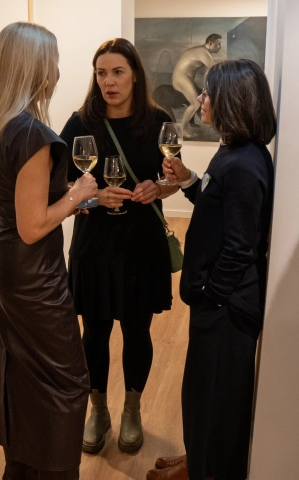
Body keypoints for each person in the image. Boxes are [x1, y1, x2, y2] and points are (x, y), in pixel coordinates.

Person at [0, 22, 98, 480]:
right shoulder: (31, 134)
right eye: (54, 62)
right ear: (38, 68)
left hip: (0, 268)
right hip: (33, 277)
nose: (58, 72)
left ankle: (21, 467)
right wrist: (76, 195)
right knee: (68, 381)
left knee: (18, 372)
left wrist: (52, 197)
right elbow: (32, 227)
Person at [147, 58, 276, 480]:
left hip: (227, 308)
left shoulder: (243, 164)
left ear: (231, 100)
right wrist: (188, 179)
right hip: (223, 305)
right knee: (205, 394)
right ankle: (196, 460)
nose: (201, 98)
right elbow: (217, 211)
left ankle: (205, 470)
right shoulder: (236, 153)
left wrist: (210, 295)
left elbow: (240, 246)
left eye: (208, 92)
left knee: (216, 402)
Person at [60, 38, 178, 454]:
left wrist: (157, 189)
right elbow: (61, 187)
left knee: (136, 330)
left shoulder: (159, 120)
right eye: (101, 73)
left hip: (141, 244)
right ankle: (98, 411)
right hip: (94, 245)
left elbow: (171, 180)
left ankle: (131, 410)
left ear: (135, 75)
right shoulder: (81, 123)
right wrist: (92, 198)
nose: (108, 82)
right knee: (94, 332)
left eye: (117, 72)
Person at [172, 34, 221, 138]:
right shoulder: (203, 52)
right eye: (218, 44)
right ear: (210, 43)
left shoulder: (203, 51)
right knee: (195, 103)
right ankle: (182, 129)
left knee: (201, 99)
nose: (220, 47)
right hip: (181, 78)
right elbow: (215, 69)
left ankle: (211, 124)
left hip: (186, 79)